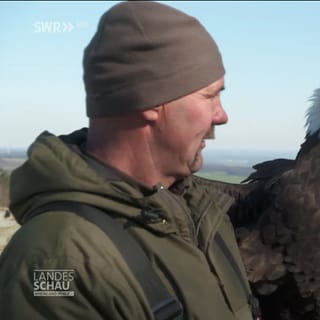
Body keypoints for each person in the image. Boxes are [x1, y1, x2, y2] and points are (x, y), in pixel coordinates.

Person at [0, 1, 258, 319]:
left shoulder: (206, 217)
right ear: (151, 101)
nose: (222, 116)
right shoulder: (56, 261)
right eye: (209, 96)